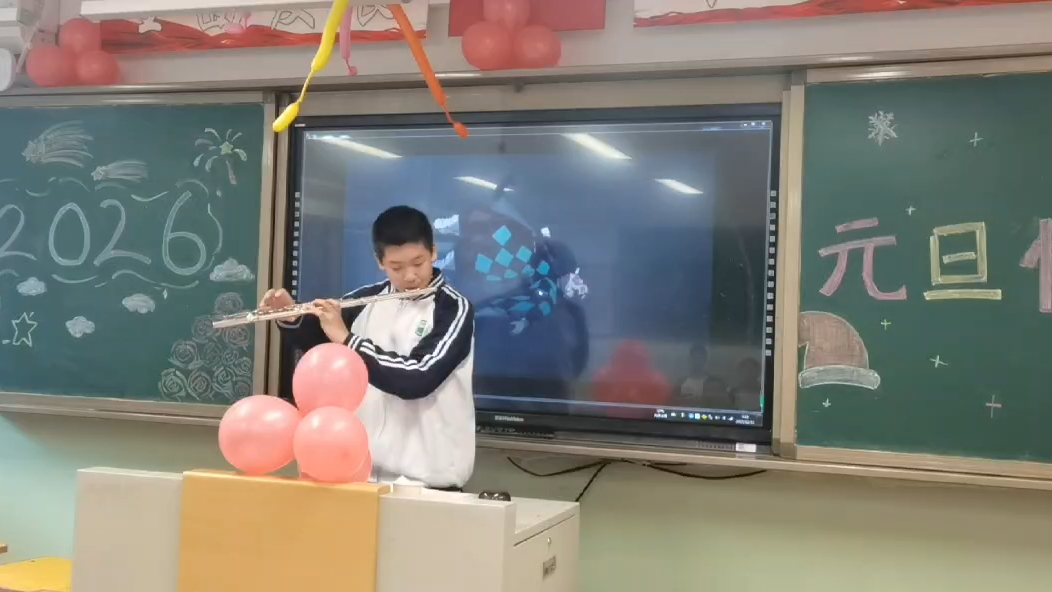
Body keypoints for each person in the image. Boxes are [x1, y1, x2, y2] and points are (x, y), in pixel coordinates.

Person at [260, 205, 476, 490]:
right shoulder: (366, 299)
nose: (410, 276)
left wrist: (348, 340)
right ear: (380, 262)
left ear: (434, 253)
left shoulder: (453, 308)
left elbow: (419, 377)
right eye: (397, 267)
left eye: (418, 262)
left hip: (430, 482)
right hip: (362, 477)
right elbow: (321, 344)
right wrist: (291, 315)